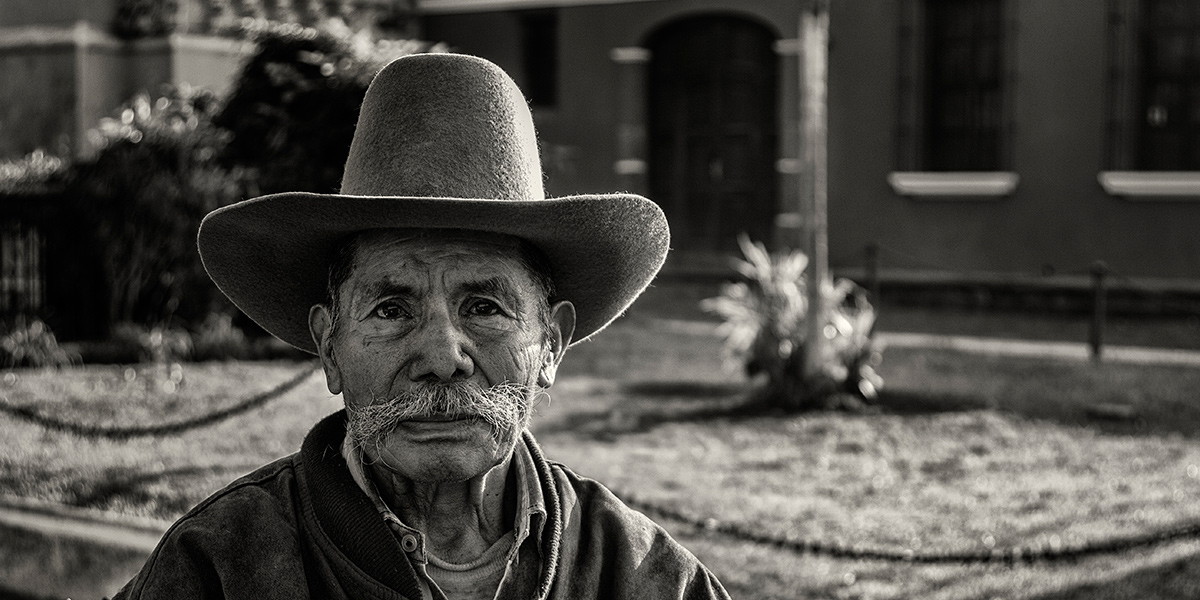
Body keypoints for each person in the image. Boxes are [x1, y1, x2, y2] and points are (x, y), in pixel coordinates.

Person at [113, 53, 731, 599]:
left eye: (484, 308)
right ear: (330, 347)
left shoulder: (637, 573)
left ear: (551, 345)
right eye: (391, 309)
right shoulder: (220, 565)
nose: (442, 356)